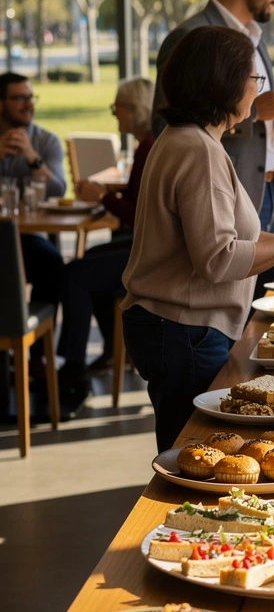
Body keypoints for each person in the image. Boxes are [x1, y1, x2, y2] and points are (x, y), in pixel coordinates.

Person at [123, 26, 274, 452]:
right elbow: (219, 260)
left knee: (193, 453)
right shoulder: (198, 151)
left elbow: (228, 237)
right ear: (226, 83)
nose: (257, 88)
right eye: (255, 78)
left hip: (174, 328)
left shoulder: (185, 140)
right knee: (194, 457)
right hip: (182, 332)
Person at [152, 0, 274, 299]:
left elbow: (258, 112)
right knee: (237, 318)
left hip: (267, 192)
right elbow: (166, 125)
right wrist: (254, 116)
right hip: (222, 203)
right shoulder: (189, 37)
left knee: (260, 316)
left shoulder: (256, 37)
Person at [57, 77, 156, 414]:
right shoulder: (147, 144)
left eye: (118, 108)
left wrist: (102, 196)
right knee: (86, 263)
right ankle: (111, 350)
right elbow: (134, 204)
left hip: (149, 254)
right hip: (145, 245)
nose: (115, 114)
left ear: (134, 109)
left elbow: (138, 214)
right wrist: (107, 196)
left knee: (75, 274)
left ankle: (73, 369)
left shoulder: (150, 145)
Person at [0, 72, 66, 320]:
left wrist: (32, 157)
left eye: (30, 97)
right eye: (19, 98)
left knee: (52, 264)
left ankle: (39, 352)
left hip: (25, 238)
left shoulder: (46, 141)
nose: (28, 105)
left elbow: (59, 190)